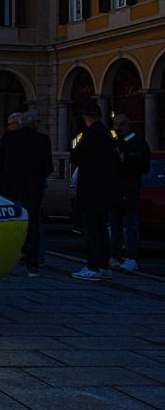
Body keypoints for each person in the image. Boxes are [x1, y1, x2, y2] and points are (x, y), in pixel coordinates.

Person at [0, 112, 53, 276]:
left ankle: (7, 261)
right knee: (33, 225)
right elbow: (48, 167)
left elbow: (0, 163)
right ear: (34, 124)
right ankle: (32, 264)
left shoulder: (8, 138)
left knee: (11, 223)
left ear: (20, 124)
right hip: (33, 189)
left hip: (11, 188)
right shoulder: (43, 140)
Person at [68, 100, 115, 281]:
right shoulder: (106, 134)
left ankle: (92, 266)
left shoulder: (89, 134)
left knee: (91, 230)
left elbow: (76, 157)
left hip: (90, 187)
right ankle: (104, 265)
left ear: (86, 117)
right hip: (105, 187)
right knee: (102, 229)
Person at [109, 114, 150, 272]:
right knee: (116, 225)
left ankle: (131, 258)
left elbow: (144, 165)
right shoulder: (115, 143)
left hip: (129, 189)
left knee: (130, 224)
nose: (118, 128)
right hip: (115, 190)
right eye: (115, 124)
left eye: (121, 125)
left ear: (129, 126)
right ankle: (115, 256)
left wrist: (126, 158)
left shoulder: (138, 143)